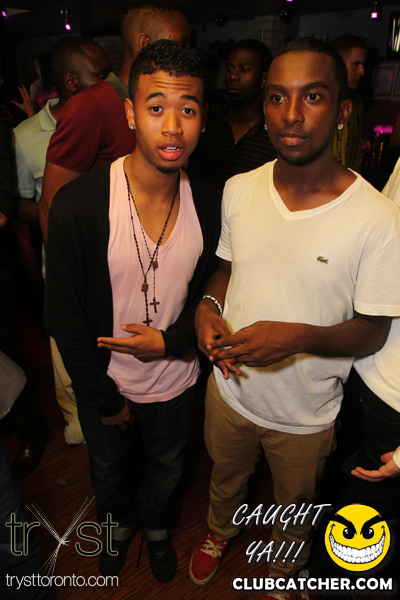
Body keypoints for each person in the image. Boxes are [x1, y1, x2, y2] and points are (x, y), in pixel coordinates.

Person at [189, 37, 400, 600]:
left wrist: (297, 339)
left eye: (313, 96)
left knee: (295, 504)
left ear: (343, 110)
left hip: (305, 413)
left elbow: (373, 330)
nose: (291, 114)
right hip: (230, 388)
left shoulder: (377, 219)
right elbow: (225, 269)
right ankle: (219, 531)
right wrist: (207, 309)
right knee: (224, 476)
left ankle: (284, 567)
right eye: (278, 96)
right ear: (264, 106)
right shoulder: (239, 189)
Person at [44, 39, 220, 583]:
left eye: (188, 109)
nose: (172, 127)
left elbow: (211, 290)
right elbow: (62, 313)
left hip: (177, 381)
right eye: (156, 106)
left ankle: (159, 529)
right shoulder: (81, 204)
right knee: (108, 470)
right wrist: (102, 397)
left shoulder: (210, 203)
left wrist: (173, 343)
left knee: (168, 467)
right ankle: (117, 528)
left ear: (203, 118)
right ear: (129, 112)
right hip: (108, 383)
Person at [11, 37, 112, 446]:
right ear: (70, 81)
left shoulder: (117, 117)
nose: (109, 83)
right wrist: (58, 213)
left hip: (112, 261)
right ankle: (76, 418)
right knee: (67, 348)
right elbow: (19, 203)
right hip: (62, 264)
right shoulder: (25, 136)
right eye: (100, 75)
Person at [39, 0, 190, 246]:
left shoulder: (169, 114)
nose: (186, 55)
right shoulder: (90, 106)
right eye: (180, 45)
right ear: (146, 44)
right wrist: (66, 270)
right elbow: (51, 205)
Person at [190, 38, 276, 190]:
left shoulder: (272, 134)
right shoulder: (208, 125)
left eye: (244, 70)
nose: (233, 76)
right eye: (229, 69)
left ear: (263, 79)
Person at [332, 34, 367, 172]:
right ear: (339, 64)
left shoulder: (357, 105)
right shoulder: (321, 102)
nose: (362, 71)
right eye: (356, 64)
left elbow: (358, 152)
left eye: (363, 65)